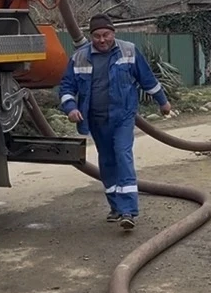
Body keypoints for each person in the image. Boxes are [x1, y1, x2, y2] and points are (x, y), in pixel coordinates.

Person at [58, 15, 171, 230]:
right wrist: (71, 108)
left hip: (123, 117)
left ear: (113, 33)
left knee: (122, 155)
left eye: (106, 35)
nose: (102, 40)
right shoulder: (79, 58)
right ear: (91, 37)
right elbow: (66, 88)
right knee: (107, 161)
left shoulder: (128, 51)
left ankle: (128, 211)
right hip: (96, 119)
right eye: (97, 36)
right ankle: (116, 208)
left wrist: (163, 102)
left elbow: (147, 79)